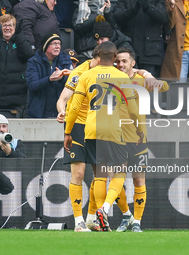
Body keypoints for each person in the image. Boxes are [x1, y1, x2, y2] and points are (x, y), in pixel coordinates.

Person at [64, 41, 144, 231]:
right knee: (119, 171)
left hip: (91, 129)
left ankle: (95, 217)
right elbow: (132, 108)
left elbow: (74, 106)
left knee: (99, 173)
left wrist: (68, 131)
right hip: (113, 129)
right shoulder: (121, 76)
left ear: (97, 56)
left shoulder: (86, 75)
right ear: (115, 57)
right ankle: (104, 208)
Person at [114, 47, 169, 232]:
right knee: (116, 181)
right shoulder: (110, 79)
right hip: (116, 138)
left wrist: (149, 76)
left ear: (132, 63)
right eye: (118, 61)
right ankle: (126, 215)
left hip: (137, 139)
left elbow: (165, 87)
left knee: (138, 180)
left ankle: (137, 221)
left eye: (124, 61)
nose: (120, 64)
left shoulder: (140, 80)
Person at [56, 45, 101, 232]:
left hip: (99, 126)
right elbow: (62, 99)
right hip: (78, 126)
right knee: (79, 174)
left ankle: (91, 218)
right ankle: (78, 221)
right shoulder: (79, 72)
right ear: (96, 57)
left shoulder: (109, 73)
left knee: (100, 175)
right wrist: (62, 112)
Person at [0, 14, 34, 118]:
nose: (7, 28)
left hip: (16, 100)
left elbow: (28, 54)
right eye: (4, 25)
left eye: (11, 25)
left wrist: (19, 35)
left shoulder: (21, 40)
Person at [113, 0, 169, 77]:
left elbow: (163, 17)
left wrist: (147, 7)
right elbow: (117, 17)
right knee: (126, 85)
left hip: (150, 53)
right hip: (129, 52)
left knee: (150, 86)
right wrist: (133, 10)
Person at [26, 32, 72, 118]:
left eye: (59, 44)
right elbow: (32, 85)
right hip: (39, 111)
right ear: (45, 46)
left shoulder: (66, 59)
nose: (57, 46)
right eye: (54, 44)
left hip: (61, 110)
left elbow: (74, 82)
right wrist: (49, 79)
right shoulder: (34, 61)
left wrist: (61, 79)